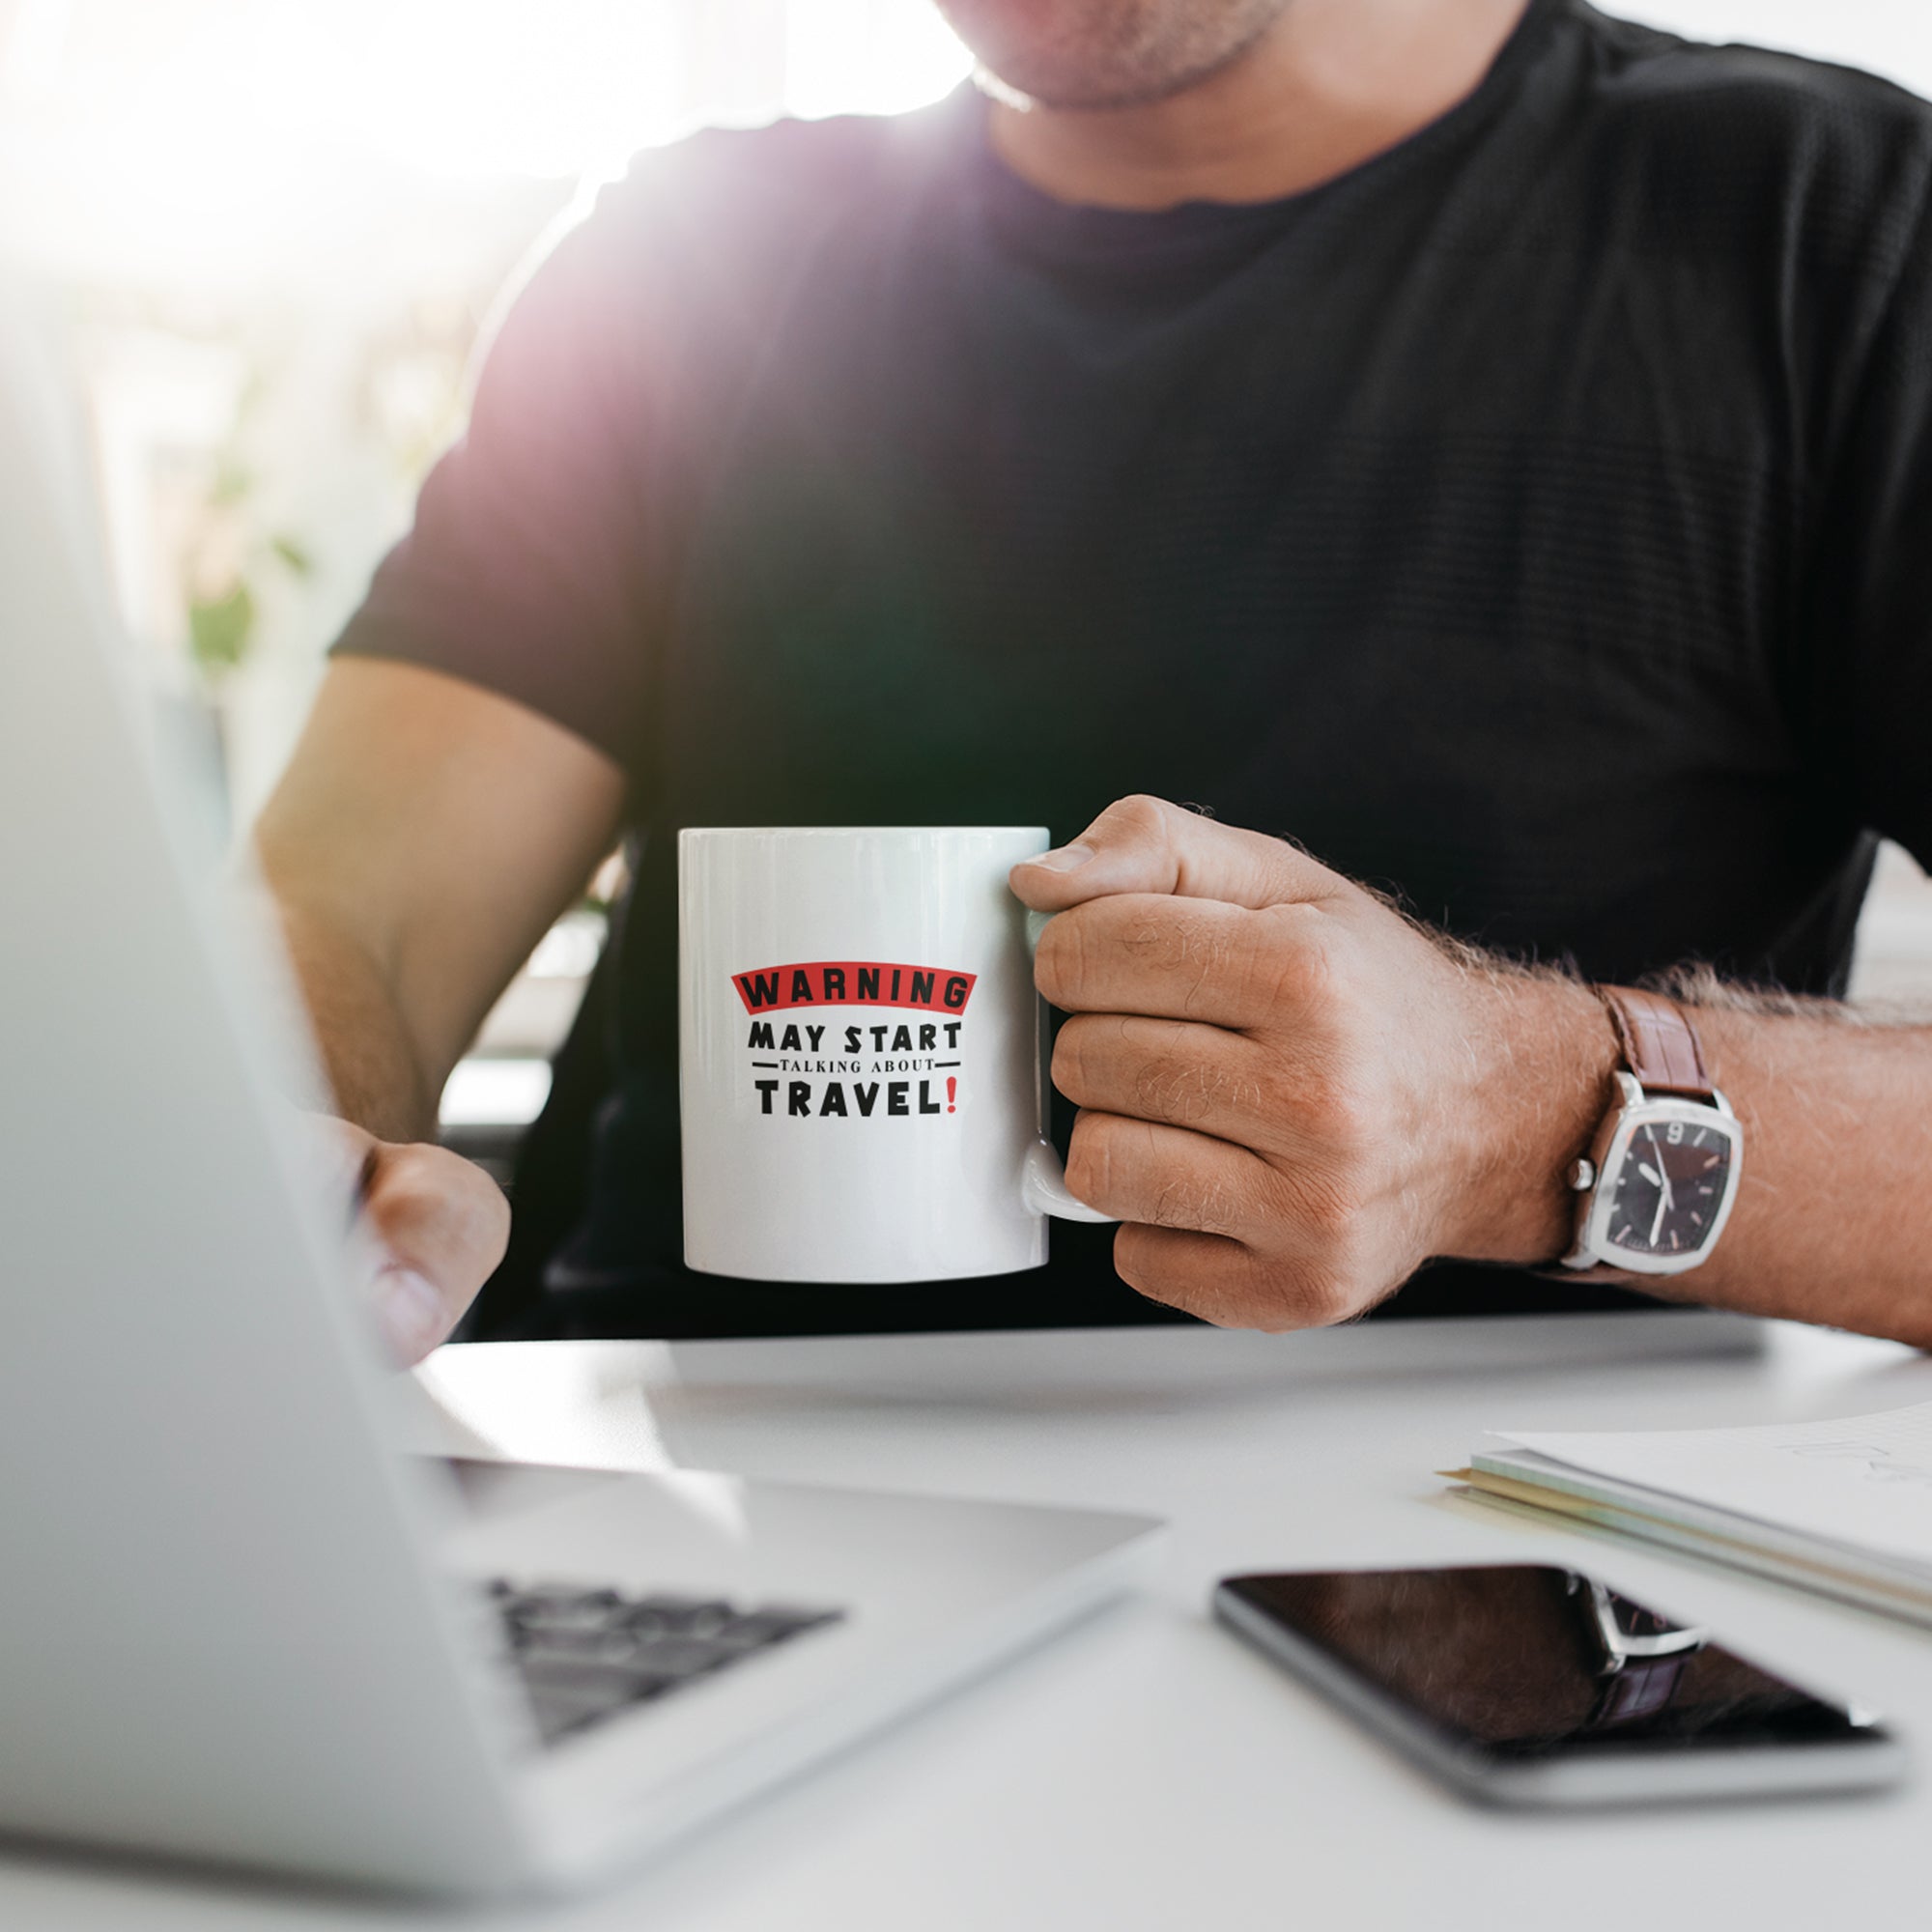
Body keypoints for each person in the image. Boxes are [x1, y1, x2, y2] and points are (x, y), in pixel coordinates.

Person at [255, 0, 1932, 1365]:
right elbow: (355, 921)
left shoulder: (1836, 235)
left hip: (1498, 1592)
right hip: (685, 1528)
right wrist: (270, 1148)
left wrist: (1521, 1118)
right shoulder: (689, 259)